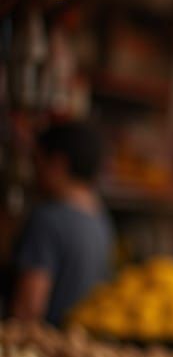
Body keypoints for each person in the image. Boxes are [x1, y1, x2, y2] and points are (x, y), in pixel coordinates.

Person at [9, 120, 115, 326]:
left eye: (37, 162)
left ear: (58, 164)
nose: (34, 173)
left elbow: (28, 307)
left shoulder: (48, 220)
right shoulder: (101, 218)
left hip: (45, 340)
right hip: (79, 338)